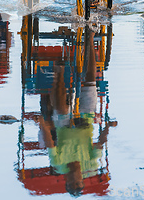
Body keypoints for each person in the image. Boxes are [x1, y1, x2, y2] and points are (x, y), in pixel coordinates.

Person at [34, 29, 117, 195]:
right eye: (78, 181)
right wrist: (108, 126)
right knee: (91, 81)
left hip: (64, 125)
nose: (75, 178)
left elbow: (50, 142)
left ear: (66, 180)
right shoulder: (91, 166)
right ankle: (90, 38)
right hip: (85, 121)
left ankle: (58, 74)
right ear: (81, 179)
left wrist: (43, 123)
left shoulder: (59, 163)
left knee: (62, 110)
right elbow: (100, 143)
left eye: (72, 182)